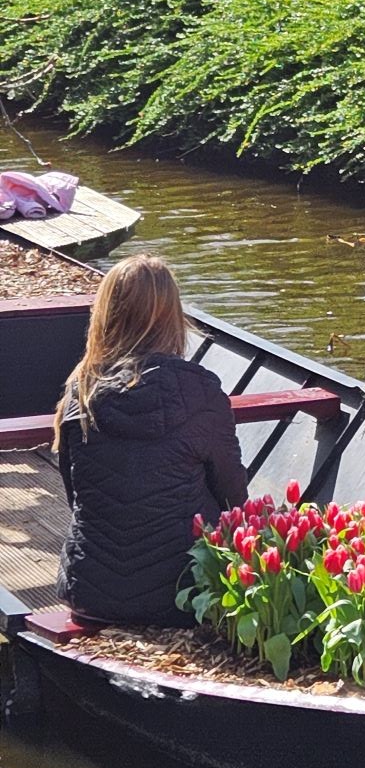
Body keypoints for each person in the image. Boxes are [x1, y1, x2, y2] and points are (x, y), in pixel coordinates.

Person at [53, 254, 248, 626]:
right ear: (173, 315)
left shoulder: (82, 390)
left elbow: (75, 495)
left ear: (104, 314)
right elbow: (233, 497)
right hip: (184, 594)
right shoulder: (201, 390)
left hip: (92, 593)